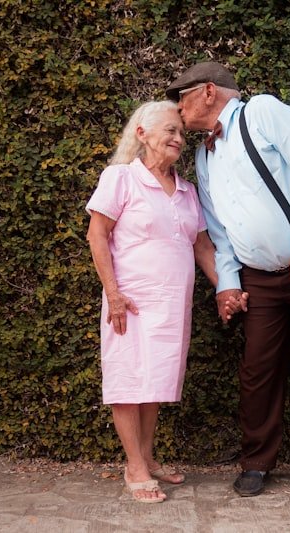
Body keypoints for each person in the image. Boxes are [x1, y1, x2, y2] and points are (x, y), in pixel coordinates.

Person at [166, 62, 290, 497]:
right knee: (258, 367)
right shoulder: (203, 153)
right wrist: (228, 282)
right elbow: (219, 228)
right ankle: (257, 461)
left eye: (182, 98)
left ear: (208, 92)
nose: (177, 109)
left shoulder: (264, 112)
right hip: (258, 278)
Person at [86, 100, 245, 503]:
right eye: (169, 131)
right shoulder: (120, 178)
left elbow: (202, 246)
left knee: (154, 383)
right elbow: (97, 235)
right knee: (127, 383)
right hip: (131, 302)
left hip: (172, 305)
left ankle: (148, 458)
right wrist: (114, 294)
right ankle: (135, 467)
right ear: (142, 134)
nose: (177, 138)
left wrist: (226, 286)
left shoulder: (188, 191)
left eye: (180, 132)